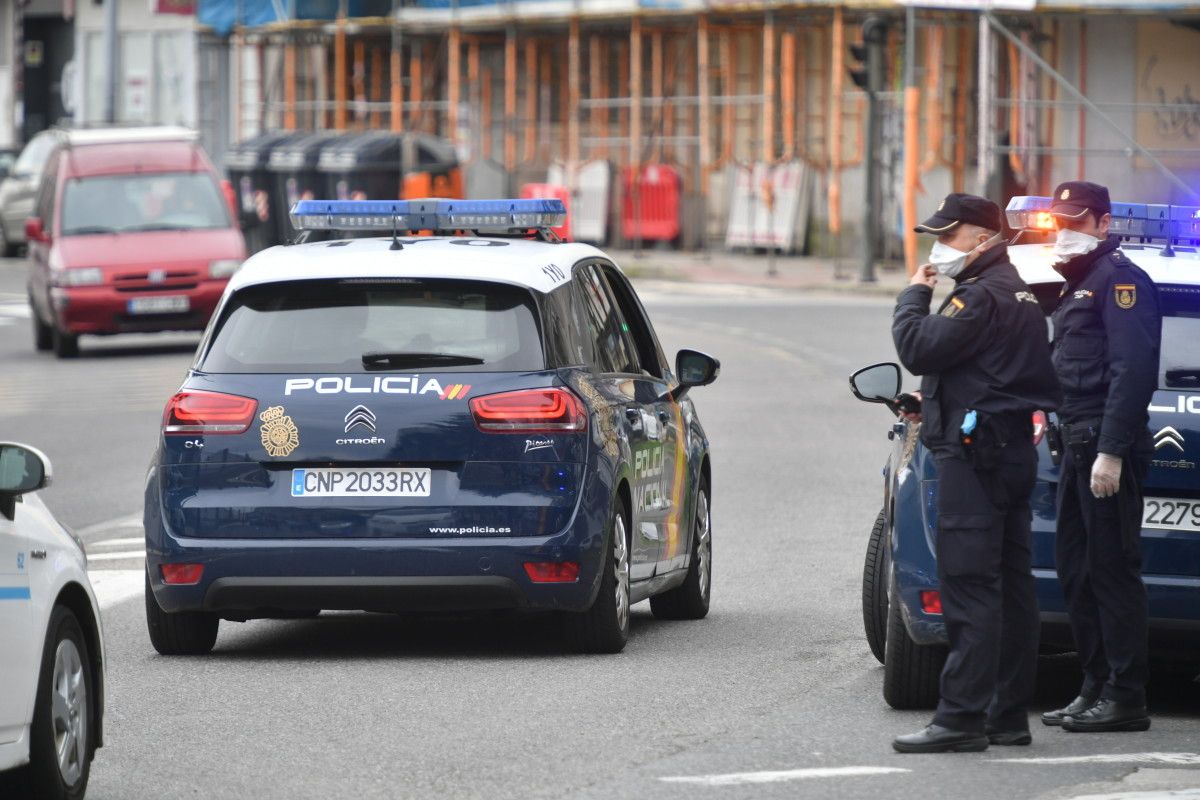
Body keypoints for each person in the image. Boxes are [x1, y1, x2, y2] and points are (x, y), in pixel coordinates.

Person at [890, 193, 1062, 753]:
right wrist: (933, 402)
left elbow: (918, 346)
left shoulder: (981, 296)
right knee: (1012, 589)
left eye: (951, 234)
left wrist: (915, 293)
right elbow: (988, 372)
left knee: (969, 587)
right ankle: (1007, 715)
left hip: (976, 460)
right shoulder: (1016, 293)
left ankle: (961, 718)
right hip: (1009, 453)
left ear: (984, 237)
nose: (941, 245)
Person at [1041, 181, 1161, 733]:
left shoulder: (1121, 282)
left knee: (1111, 572)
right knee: (1077, 571)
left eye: (1078, 221)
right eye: (1060, 221)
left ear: (1104, 224)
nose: (1066, 231)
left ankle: (1125, 695)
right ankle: (1093, 685)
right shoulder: (1078, 283)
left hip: (1102, 449)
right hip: (1075, 446)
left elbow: (1131, 373)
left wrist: (1111, 451)